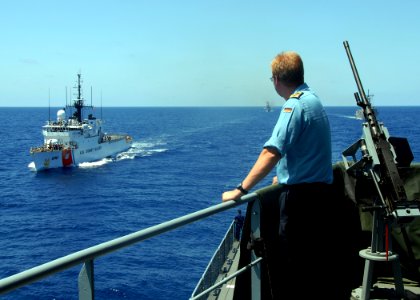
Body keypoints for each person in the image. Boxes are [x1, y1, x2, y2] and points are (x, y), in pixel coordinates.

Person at [222, 51, 350, 299]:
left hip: (301, 202)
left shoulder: (294, 104)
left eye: (272, 79)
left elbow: (271, 153)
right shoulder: (313, 100)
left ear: (278, 79)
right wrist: (283, 175)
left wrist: (240, 190)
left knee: (295, 266)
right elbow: (307, 149)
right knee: (314, 266)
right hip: (321, 196)